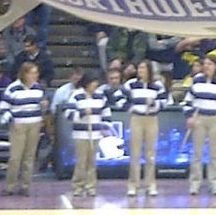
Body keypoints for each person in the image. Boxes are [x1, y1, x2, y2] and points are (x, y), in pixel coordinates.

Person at [183, 54, 216, 195]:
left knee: (214, 154)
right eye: (205, 64)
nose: (207, 66)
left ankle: (215, 184)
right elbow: (188, 101)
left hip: (215, 119)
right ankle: (194, 184)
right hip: (200, 119)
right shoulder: (197, 81)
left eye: (210, 64)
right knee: (197, 154)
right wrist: (189, 117)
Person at [121, 59, 167, 197]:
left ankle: (150, 184)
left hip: (152, 119)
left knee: (150, 154)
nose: (140, 71)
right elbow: (118, 96)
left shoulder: (157, 85)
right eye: (139, 68)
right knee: (135, 153)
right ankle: (133, 185)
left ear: (149, 70)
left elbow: (165, 101)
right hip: (137, 119)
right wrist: (129, 108)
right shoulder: (131, 84)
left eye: (143, 68)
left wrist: (154, 104)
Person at [0, 62, 46, 196]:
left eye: (36, 73)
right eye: (33, 73)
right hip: (18, 125)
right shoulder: (13, 88)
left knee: (29, 157)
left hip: (35, 124)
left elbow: (41, 106)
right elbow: (4, 108)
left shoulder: (38, 88)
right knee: (15, 157)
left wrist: (43, 106)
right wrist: (12, 121)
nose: (35, 75)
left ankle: (25, 186)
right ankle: (10, 186)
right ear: (25, 74)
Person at [65, 71, 111, 197]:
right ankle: (78, 186)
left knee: (92, 162)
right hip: (81, 135)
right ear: (87, 83)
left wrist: (105, 127)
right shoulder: (76, 95)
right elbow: (68, 114)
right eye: (93, 83)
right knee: (81, 162)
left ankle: (91, 187)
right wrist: (82, 113)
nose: (95, 85)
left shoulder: (100, 96)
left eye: (96, 83)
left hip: (95, 134)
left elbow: (106, 114)